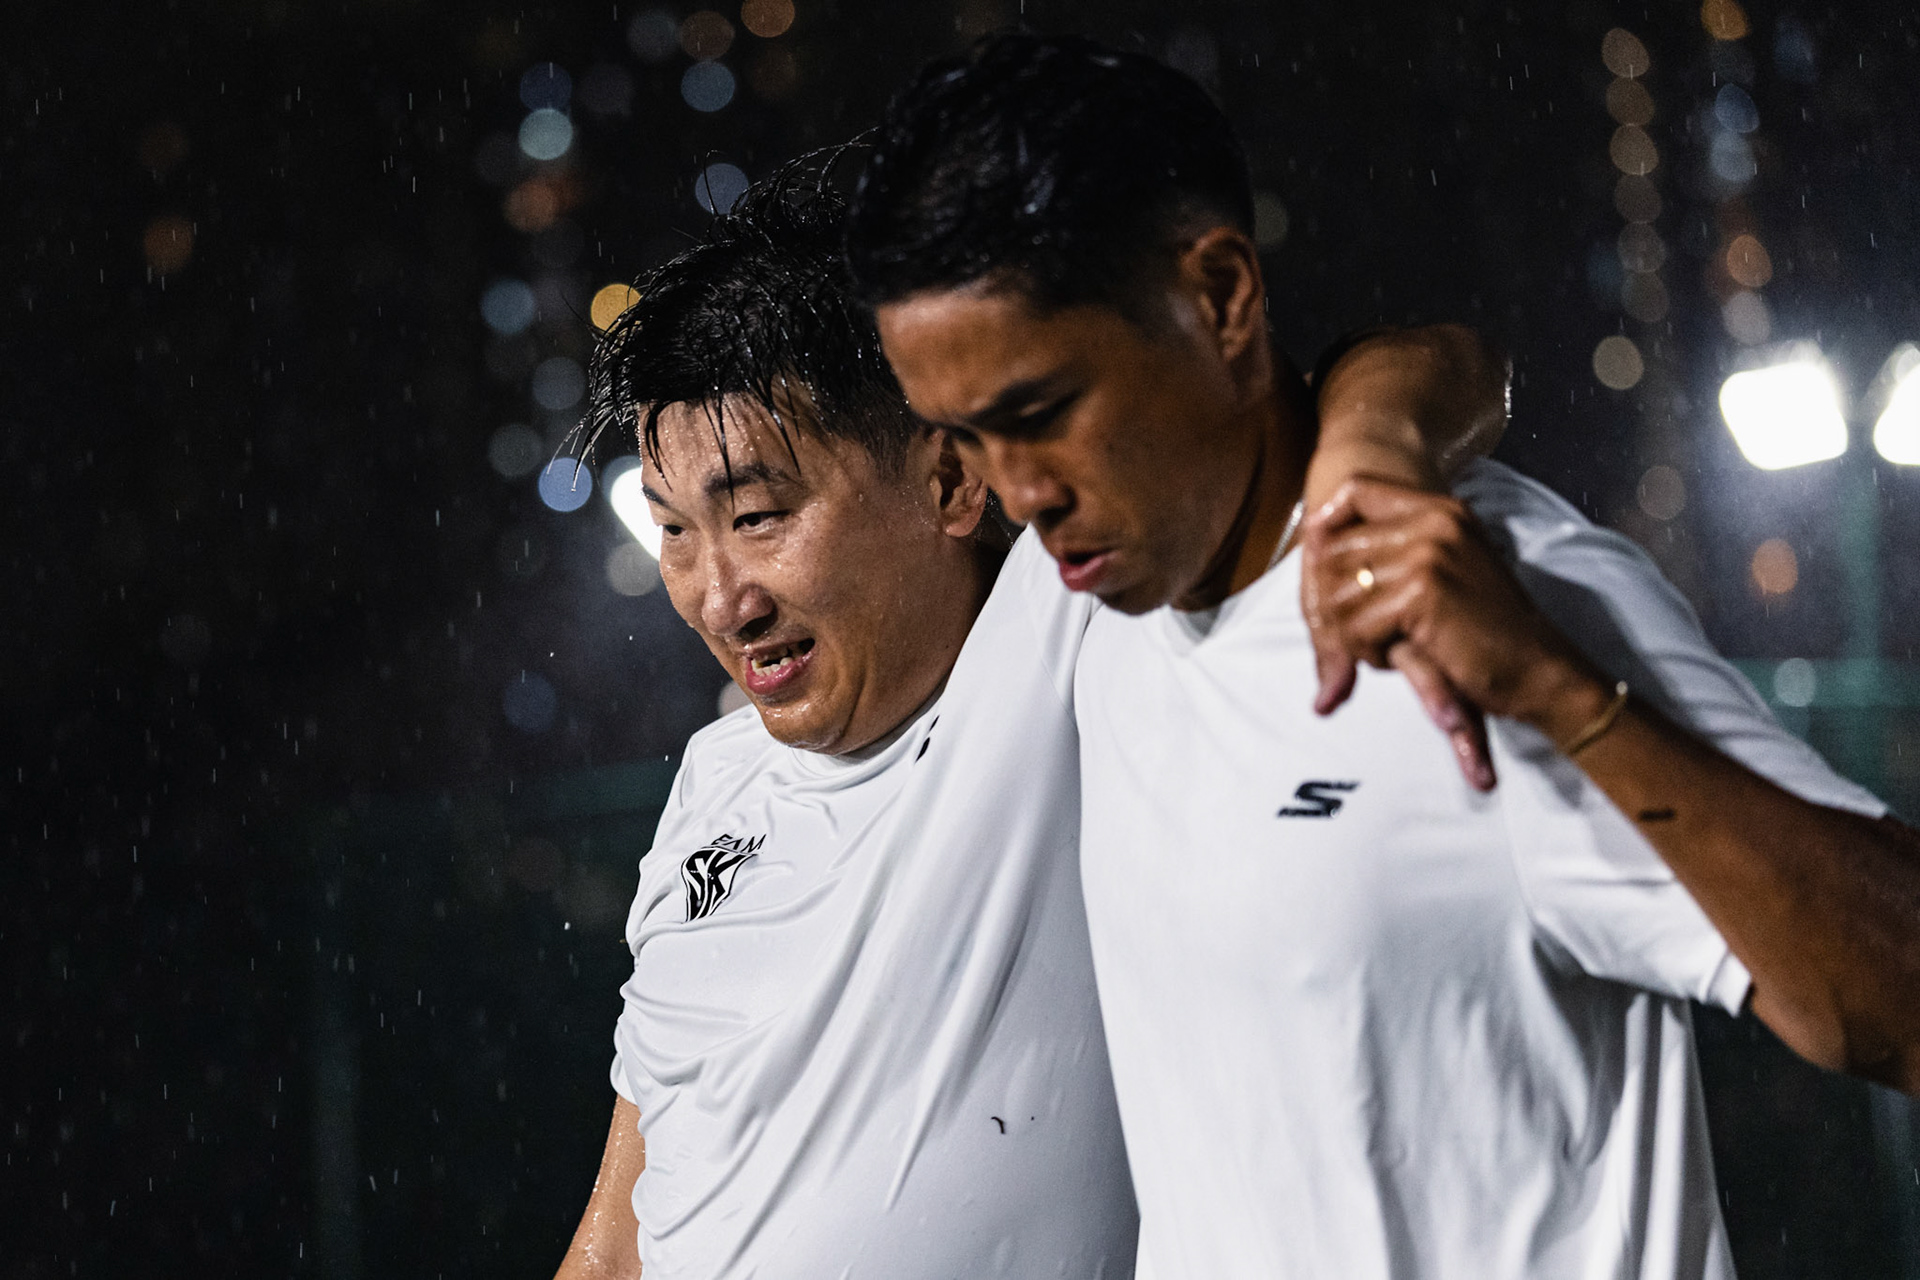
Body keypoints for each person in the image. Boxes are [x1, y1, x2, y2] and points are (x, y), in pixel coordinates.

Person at [850, 31, 1920, 1280]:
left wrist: (1557, 691)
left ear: (1223, 299)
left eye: (1039, 412)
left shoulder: (1502, 596)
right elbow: (1429, 354)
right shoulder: (1092, 590)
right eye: (964, 436)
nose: (1015, 488)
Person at [550, 162, 1507, 1278]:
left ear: (954, 483)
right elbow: (619, 1225)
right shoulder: (713, 780)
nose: (721, 597)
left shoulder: (1078, 639)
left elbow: (1441, 364)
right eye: (672, 531)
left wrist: (1365, 468)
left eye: (760, 516)